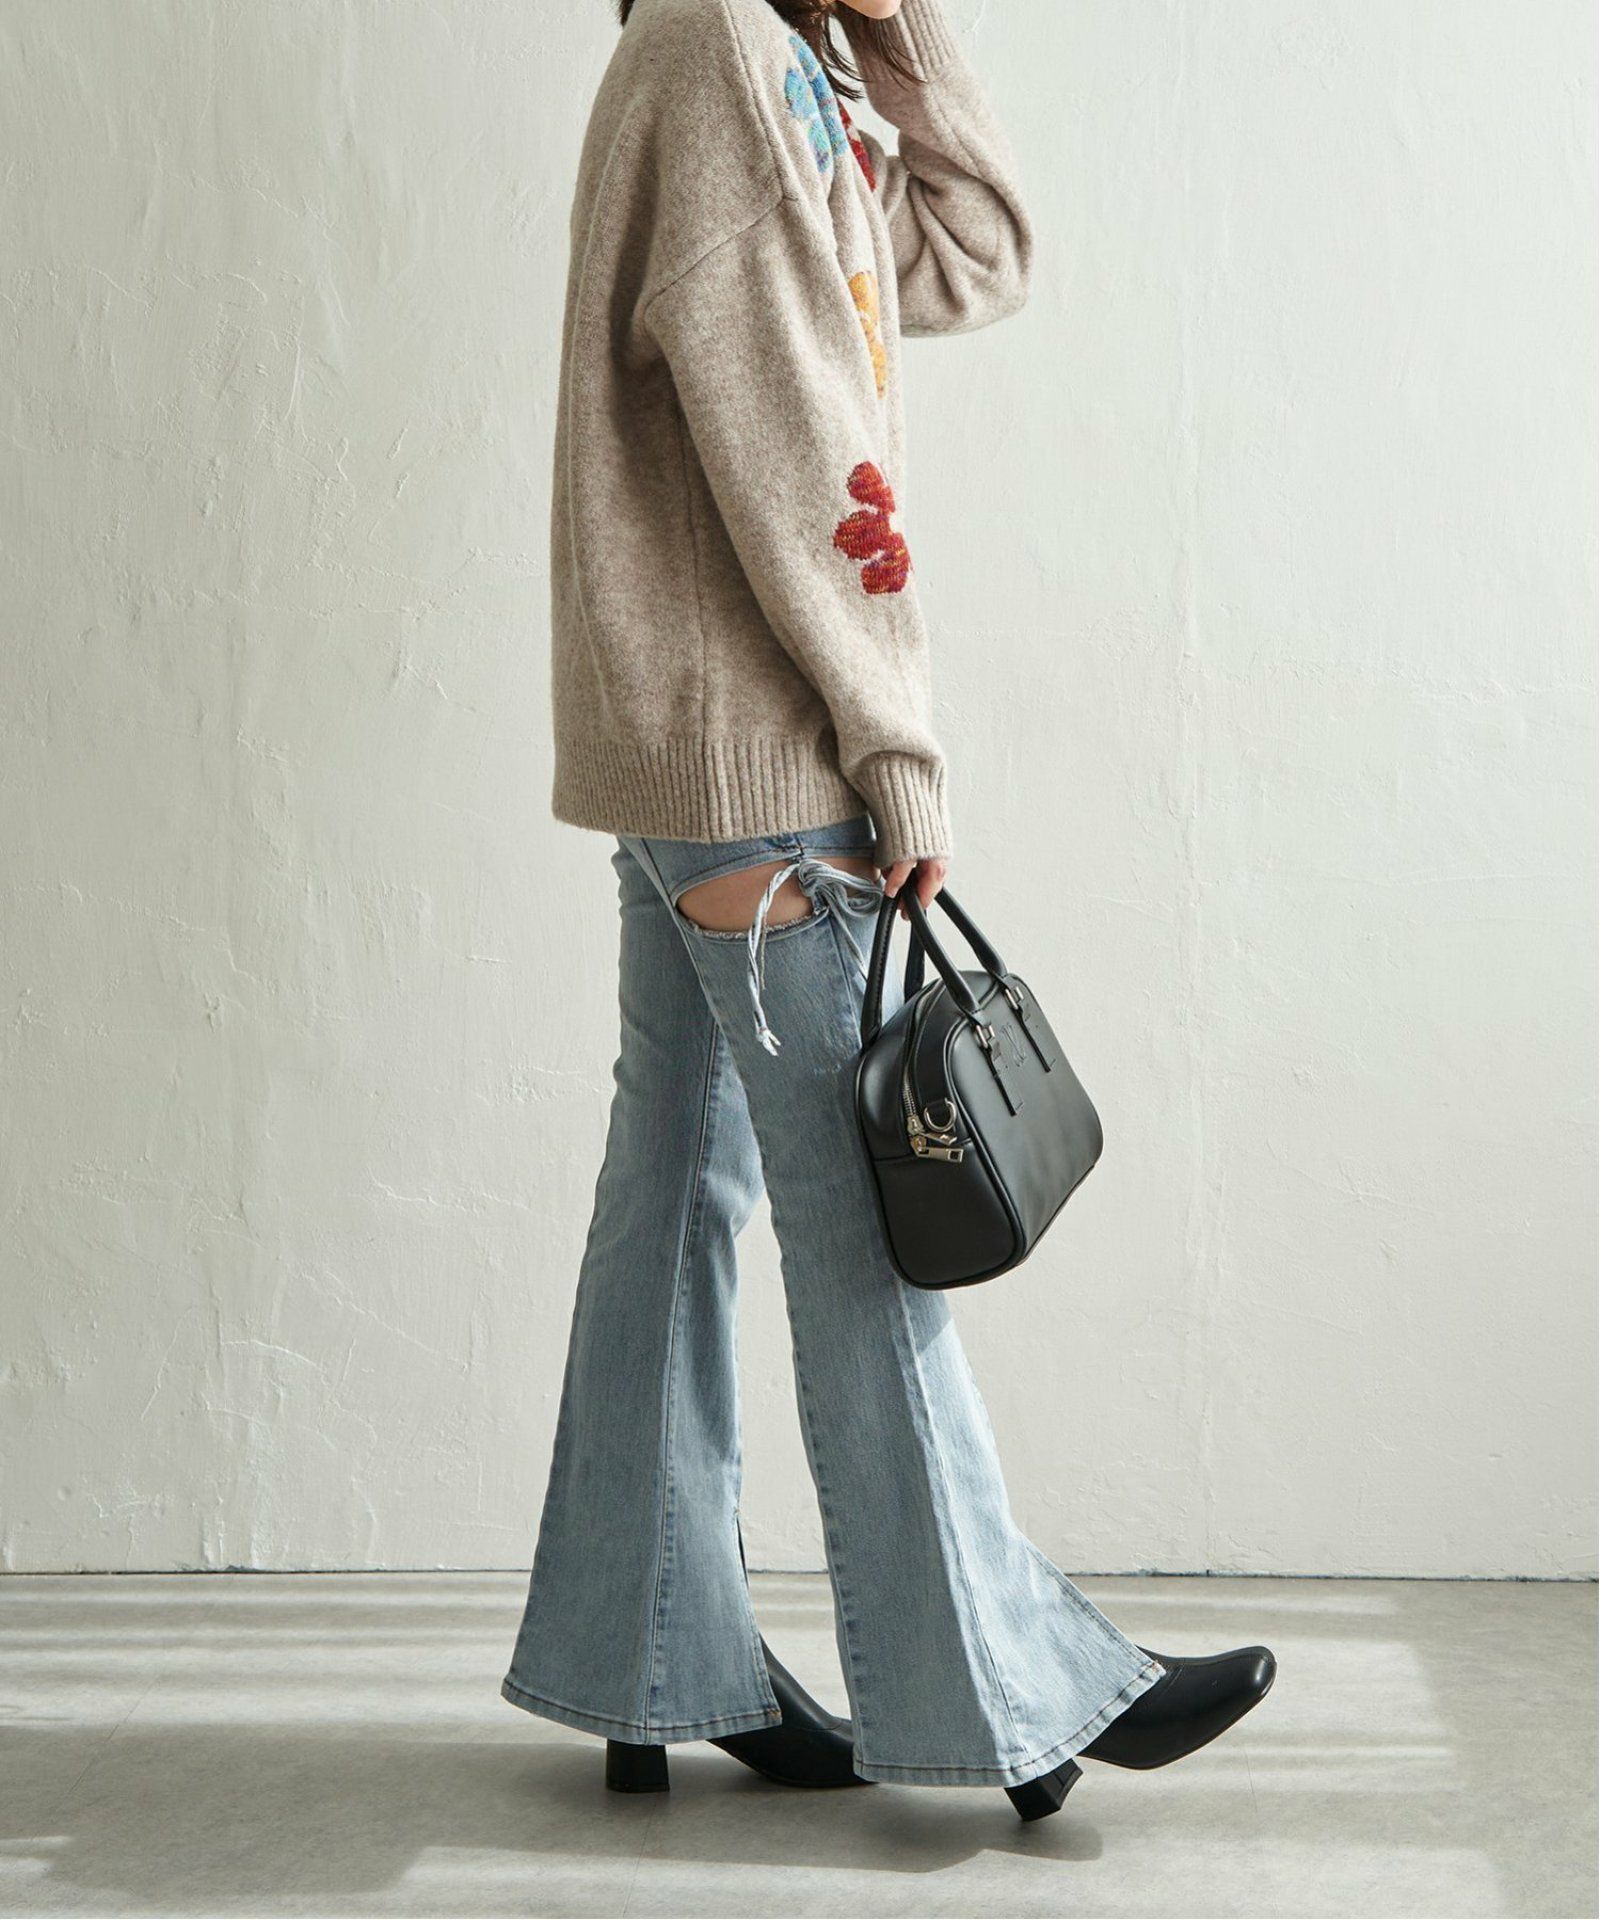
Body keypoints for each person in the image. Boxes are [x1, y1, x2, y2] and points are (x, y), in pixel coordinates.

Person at [502, 0, 1275, 1822]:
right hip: (765, 751)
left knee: (671, 1195)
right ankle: (1005, 1691)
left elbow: (972, 256)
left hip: (688, 747)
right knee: (869, 1221)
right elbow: (801, 445)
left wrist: (894, 23)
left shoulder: (767, 54)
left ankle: (642, 1654)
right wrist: (894, 747)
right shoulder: (720, 51)